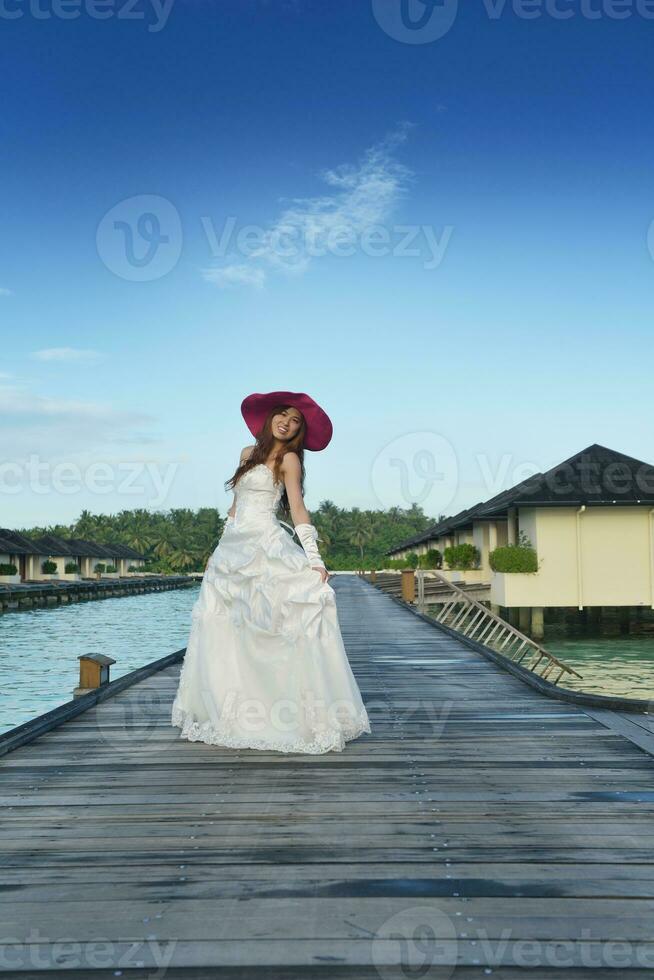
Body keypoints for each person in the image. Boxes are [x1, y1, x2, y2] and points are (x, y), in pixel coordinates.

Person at [171, 390, 371, 754]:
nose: (287, 423)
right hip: (233, 550)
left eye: (295, 421)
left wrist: (314, 558)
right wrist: (220, 548)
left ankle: (283, 713)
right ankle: (230, 711)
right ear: (269, 418)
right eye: (283, 415)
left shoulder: (290, 459)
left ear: (298, 432)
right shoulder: (247, 455)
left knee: (276, 623)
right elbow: (234, 507)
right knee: (227, 628)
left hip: (266, 543)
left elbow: (296, 507)